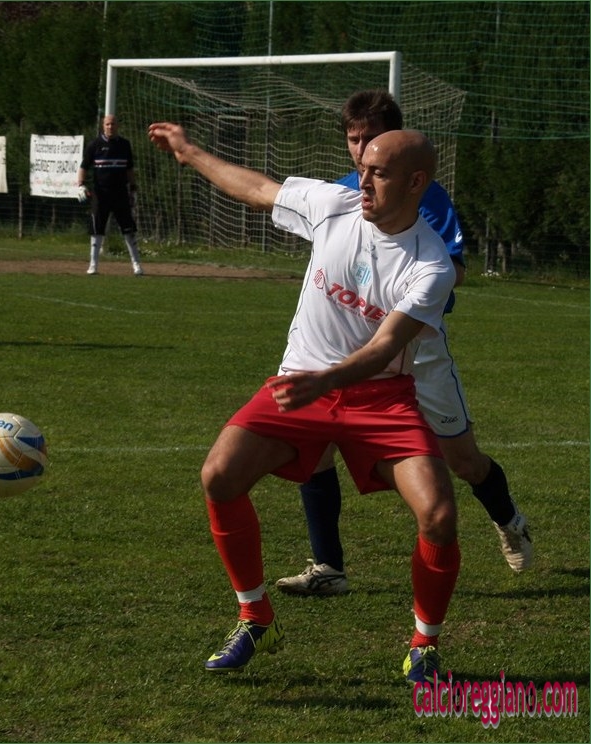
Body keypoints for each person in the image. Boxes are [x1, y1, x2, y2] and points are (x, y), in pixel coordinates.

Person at [149, 120, 461, 685]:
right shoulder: (334, 205)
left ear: (416, 182)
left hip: (380, 399)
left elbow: (386, 346)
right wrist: (189, 151)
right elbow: (258, 189)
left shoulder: (431, 263)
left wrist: (329, 380)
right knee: (219, 475)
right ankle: (255, 617)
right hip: (301, 384)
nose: (362, 182)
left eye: (378, 173)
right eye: (362, 169)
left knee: (438, 515)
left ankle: (425, 646)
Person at [275, 91, 532, 598]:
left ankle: (509, 520)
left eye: (371, 139)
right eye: (353, 140)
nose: (361, 151)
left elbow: (454, 269)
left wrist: (404, 285)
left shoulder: (423, 193)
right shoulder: (344, 193)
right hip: (348, 353)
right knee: (315, 446)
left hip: (419, 354)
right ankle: (329, 567)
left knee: (463, 462)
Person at [77, 114, 144, 276]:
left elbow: (129, 169)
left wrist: (133, 188)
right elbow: (84, 167)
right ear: (103, 126)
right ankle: (93, 265)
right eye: (107, 124)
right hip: (100, 194)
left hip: (120, 193)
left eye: (113, 124)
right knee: (97, 229)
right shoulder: (94, 145)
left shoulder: (124, 145)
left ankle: (136, 265)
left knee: (128, 229)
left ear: (117, 125)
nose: (110, 127)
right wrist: (80, 185)